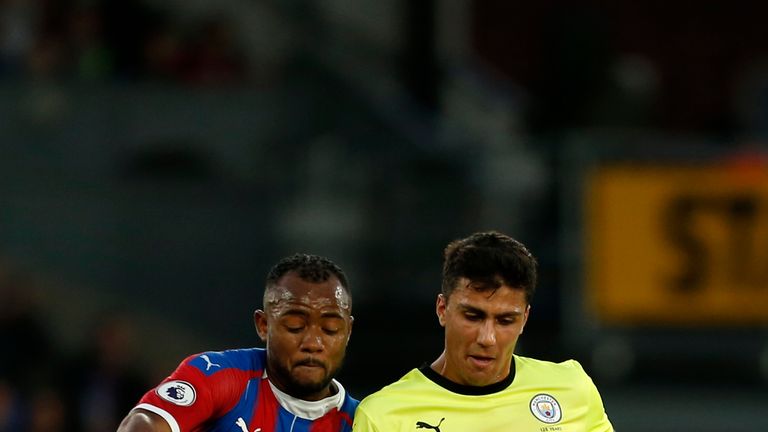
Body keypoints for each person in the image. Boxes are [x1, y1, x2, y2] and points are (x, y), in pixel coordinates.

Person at [353, 231, 613, 431]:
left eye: (505, 320)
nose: (486, 338)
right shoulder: (384, 417)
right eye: (473, 316)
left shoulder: (572, 389)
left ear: (525, 319)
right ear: (442, 309)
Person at [117, 253, 358, 432]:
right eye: (295, 326)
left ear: (348, 332)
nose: (313, 343)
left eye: (330, 329)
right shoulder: (220, 376)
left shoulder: (362, 422)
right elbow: (143, 424)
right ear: (263, 325)